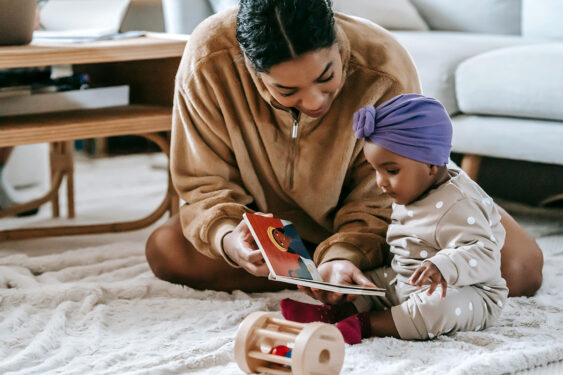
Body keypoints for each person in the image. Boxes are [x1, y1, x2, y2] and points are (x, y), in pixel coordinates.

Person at [145, 0, 543, 298]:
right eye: (287, 90)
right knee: (167, 251)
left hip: (386, 221)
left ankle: (342, 271)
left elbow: (388, 194)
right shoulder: (209, 60)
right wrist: (230, 239)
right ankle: (343, 278)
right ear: (250, 67)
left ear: (337, 41)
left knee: (519, 267)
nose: (315, 101)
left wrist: (346, 254)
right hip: (270, 221)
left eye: (326, 77)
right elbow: (203, 184)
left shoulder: (383, 64)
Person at [281, 94, 509, 344]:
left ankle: (365, 326)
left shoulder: (460, 202)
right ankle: (334, 313)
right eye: (375, 170)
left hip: (468, 291)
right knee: (368, 284)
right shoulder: (412, 188)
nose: (380, 182)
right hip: (407, 278)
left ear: (431, 165)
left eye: (391, 171)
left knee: (434, 309)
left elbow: (486, 253)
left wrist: (444, 265)